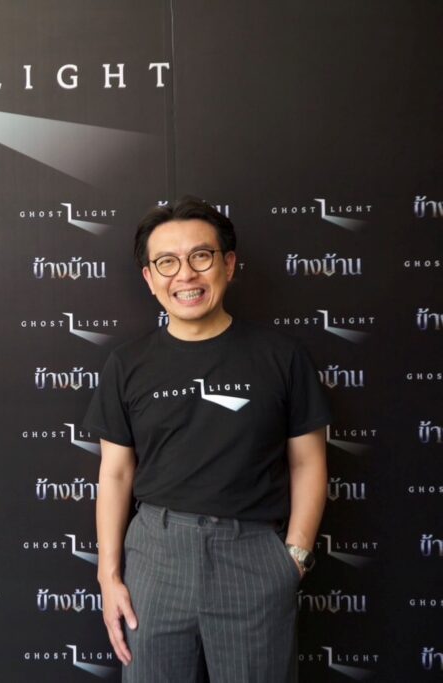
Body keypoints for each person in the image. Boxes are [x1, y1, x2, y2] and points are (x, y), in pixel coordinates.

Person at [84, 196, 330, 682]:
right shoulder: (127, 364)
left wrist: (294, 559)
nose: (186, 275)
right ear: (149, 278)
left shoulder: (281, 356)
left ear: (228, 265)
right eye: (167, 262)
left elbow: (308, 462)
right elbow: (115, 474)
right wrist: (109, 576)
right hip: (155, 558)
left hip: (253, 556)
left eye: (201, 256)